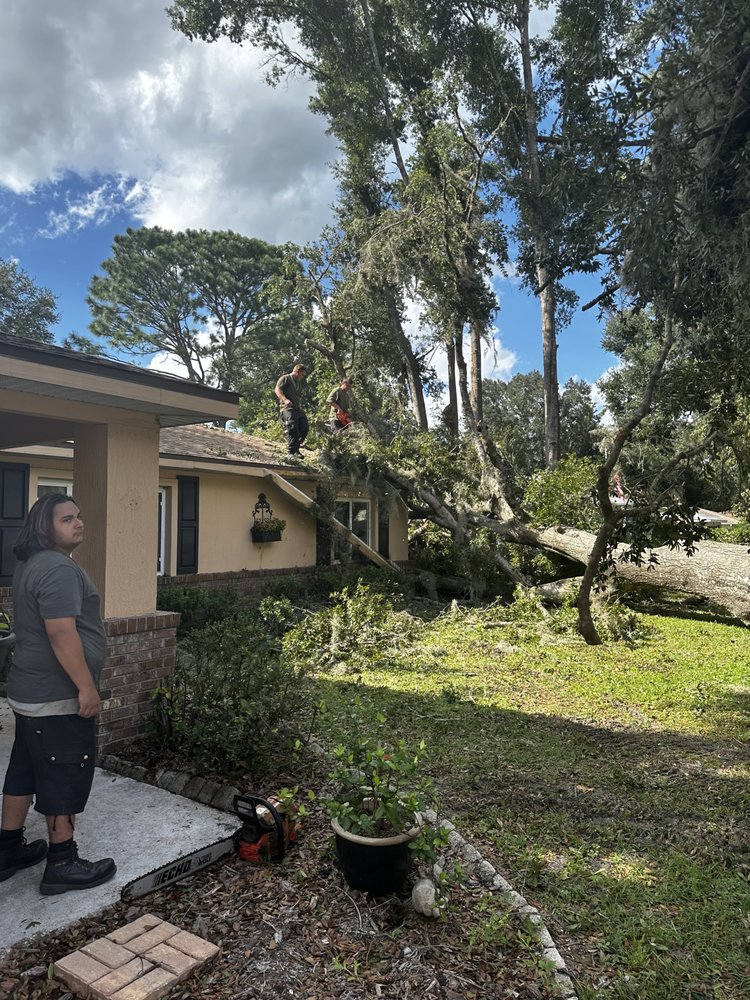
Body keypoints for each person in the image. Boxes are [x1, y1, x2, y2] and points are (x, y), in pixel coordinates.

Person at [0, 494, 116, 894]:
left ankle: (7, 849)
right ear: (45, 527)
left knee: (25, 769)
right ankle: (62, 861)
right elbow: (61, 632)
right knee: (63, 769)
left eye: (79, 516)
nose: (79, 523)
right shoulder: (57, 569)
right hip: (55, 695)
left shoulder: (31, 564)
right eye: (68, 519)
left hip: (30, 692)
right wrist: (86, 687)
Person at [275, 363, 309, 454]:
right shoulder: (285, 378)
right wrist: (285, 400)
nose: (302, 377)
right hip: (287, 408)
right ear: (297, 372)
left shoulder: (297, 384)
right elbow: (277, 389)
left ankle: (296, 447)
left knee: (305, 427)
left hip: (297, 410)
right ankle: (292, 452)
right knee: (293, 427)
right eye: (302, 374)